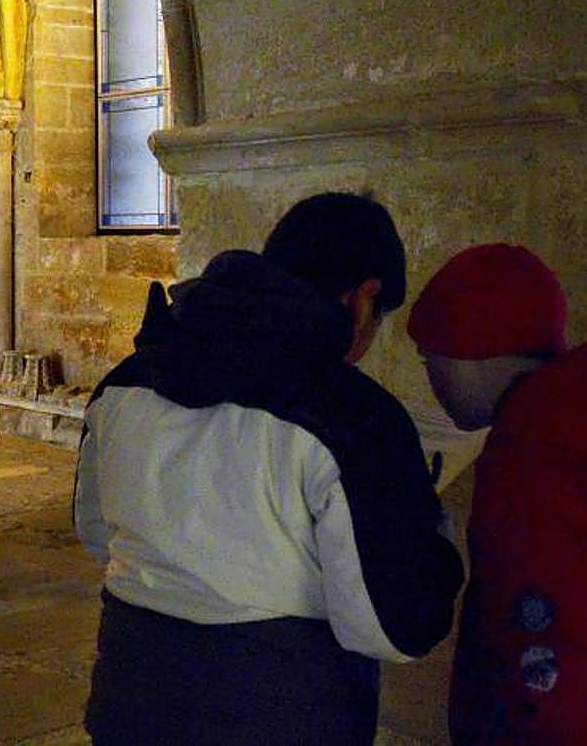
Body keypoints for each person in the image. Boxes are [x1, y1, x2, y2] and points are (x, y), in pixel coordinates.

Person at [74, 192, 464, 744]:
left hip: (132, 699)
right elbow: (391, 625)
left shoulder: (129, 380)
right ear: (364, 298)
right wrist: (435, 542)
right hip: (282, 710)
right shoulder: (352, 416)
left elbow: (96, 532)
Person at [408, 243, 586, 743]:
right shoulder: (565, 415)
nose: (431, 378)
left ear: (470, 353)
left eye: (428, 357)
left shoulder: (532, 447)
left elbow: (543, 627)